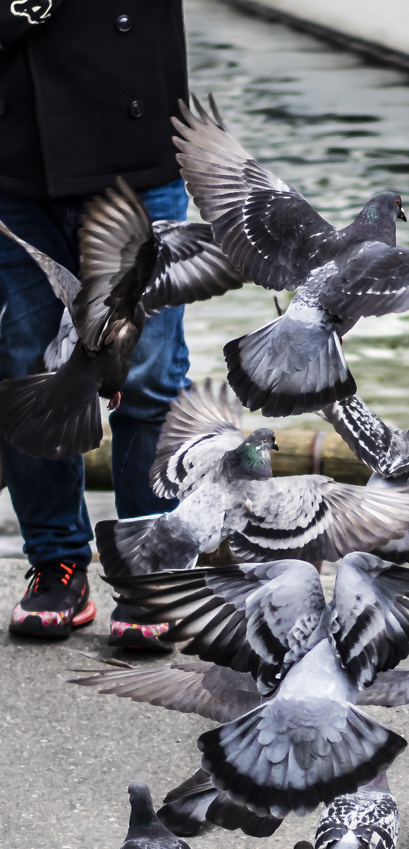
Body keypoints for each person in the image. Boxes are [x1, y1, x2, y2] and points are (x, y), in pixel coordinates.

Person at [0, 0, 190, 643]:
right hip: (14, 160)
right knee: (29, 366)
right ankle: (56, 562)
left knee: (147, 377)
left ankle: (149, 572)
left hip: (136, 156)